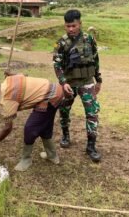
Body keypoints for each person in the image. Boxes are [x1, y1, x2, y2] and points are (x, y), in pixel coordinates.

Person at [0, 73, 65, 172]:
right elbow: (22, 75)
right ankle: (52, 156)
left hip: (49, 97)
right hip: (55, 90)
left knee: (30, 129)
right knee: (44, 126)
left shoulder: (8, 97)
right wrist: (12, 74)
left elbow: (7, 128)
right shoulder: (9, 80)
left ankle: (26, 160)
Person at [52, 9, 102, 162]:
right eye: (68, 26)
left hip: (87, 83)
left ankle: (91, 146)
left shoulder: (89, 40)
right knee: (64, 110)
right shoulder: (61, 43)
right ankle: (66, 135)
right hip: (69, 84)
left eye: (73, 26)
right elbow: (57, 65)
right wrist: (63, 82)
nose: (71, 29)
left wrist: (98, 79)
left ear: (80, 23)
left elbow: (95, 59)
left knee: (92, 113)